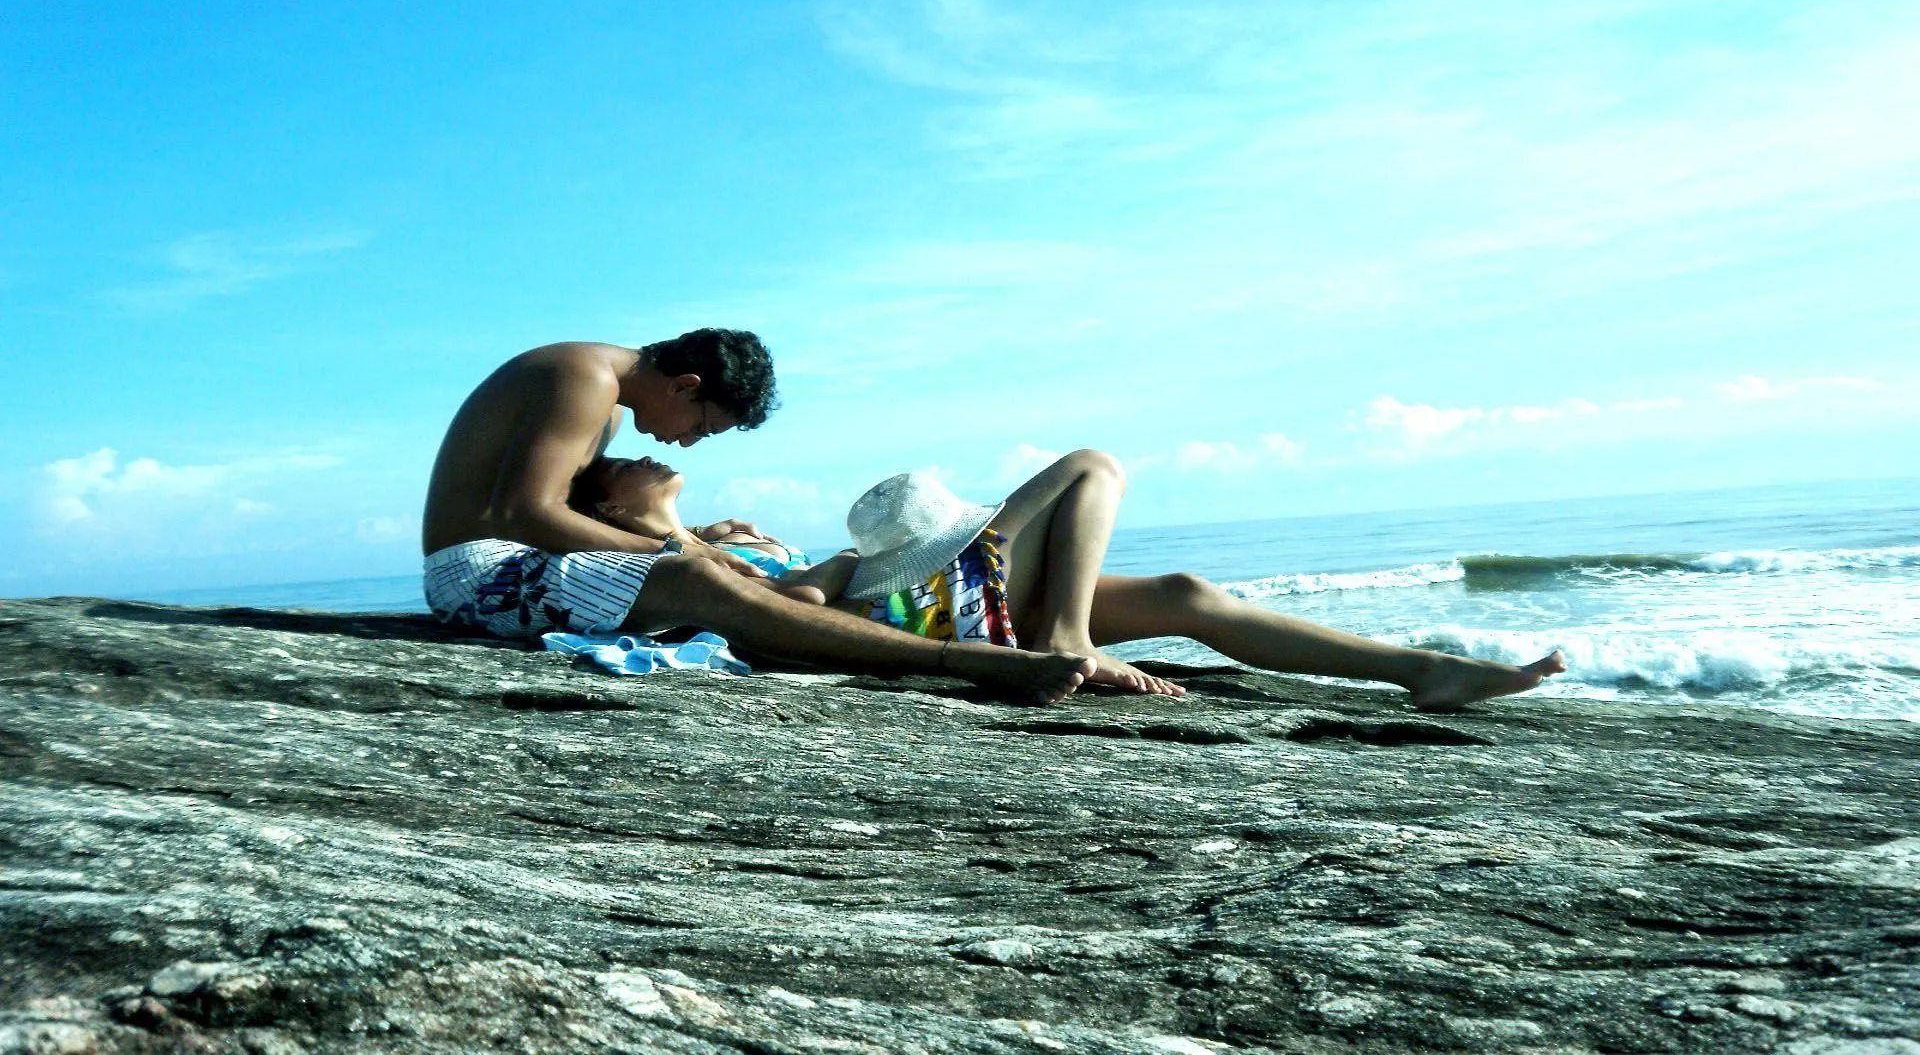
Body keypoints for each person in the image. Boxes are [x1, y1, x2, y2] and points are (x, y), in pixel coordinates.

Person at [568, 449, 1567, 711]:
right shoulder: (657, 554)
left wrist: (728, 537)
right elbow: (781, 614)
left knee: (1182, 595)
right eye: (627, 467)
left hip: (936, 595)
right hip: (914, 608)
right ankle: (1069, 639)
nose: (656, 457)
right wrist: (816, 572)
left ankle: (1422, 670)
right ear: (610, 505)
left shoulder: (703, 534)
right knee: (1091, 465)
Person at [421, 332, 1098, 704]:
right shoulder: (585, 377)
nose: (686, 443)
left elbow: (557, 512)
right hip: (478, 573)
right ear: (686, 385)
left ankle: (936, 640)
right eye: (701, 426)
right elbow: (526, 512)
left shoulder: (598, 391)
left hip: (517, 564)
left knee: (719, 581)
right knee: (703, 584)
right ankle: (967, 659)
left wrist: (694, 537)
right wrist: (679, 552)